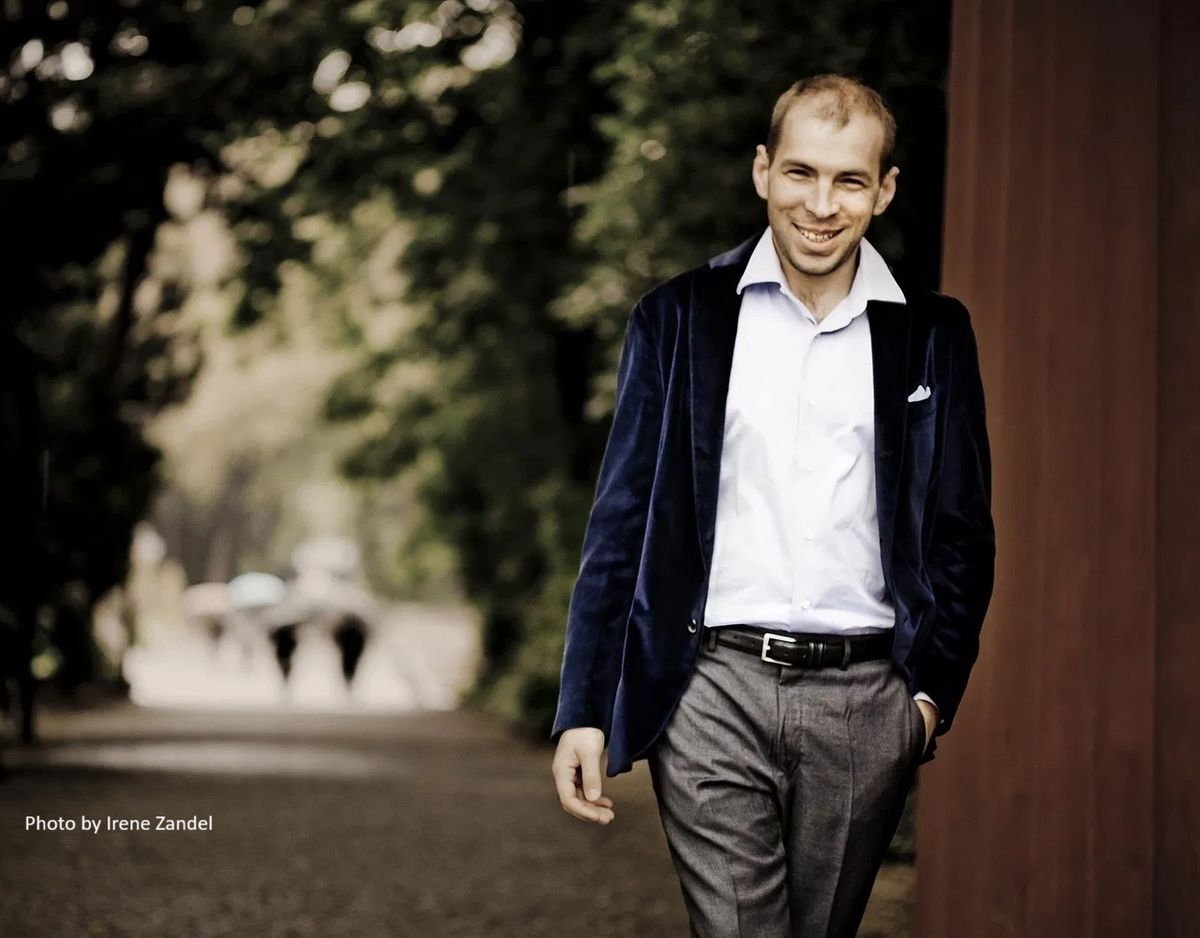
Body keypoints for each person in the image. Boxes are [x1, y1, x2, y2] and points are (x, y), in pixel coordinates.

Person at [549, 74, 995, 937]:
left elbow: (962, 534)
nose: (821, 204)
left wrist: (929, 699)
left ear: (885, 190)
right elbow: (622, 522)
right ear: (762, 172)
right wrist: (581, 708)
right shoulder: (677, 319)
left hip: (870, 700)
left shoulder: (934, 334)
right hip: (711, 689)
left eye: (849, 180)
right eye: (801, 173)